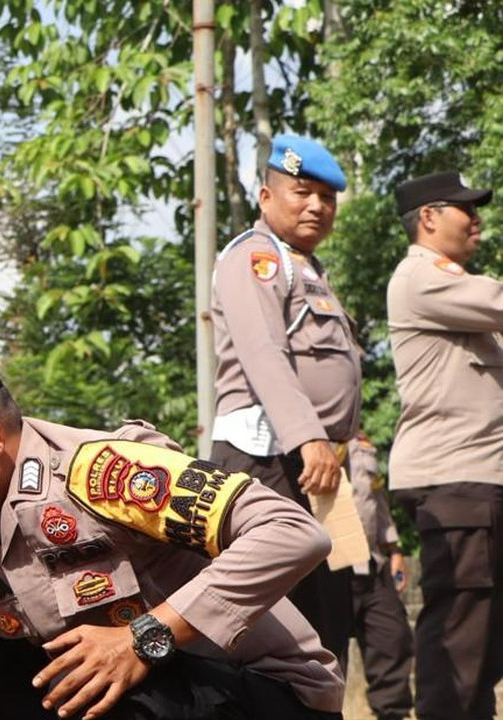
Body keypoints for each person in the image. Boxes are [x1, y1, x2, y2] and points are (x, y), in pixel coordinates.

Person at [0, 320, 345, 720]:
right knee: (3, 677)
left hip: (264, 693)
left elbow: (291, 531)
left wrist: (145, 637)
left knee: (106, 685)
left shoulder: (104, 472)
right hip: (138, 695)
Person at [207, 133, 361, 663]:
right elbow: (263, 352)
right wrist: (311, 437)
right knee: (274, 623)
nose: (318, 205)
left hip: (315, 467)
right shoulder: (256, 257)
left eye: (328, 197)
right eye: (302, 192)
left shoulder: (310, 268)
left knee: (327, 622)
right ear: (266, 197)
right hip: (268, 462)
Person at [387, 170, 503, 720]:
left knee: (482, 643)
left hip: (477, 482)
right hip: (456, 484)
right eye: (464, 208)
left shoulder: (457, 292)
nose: (475, 217)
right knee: (459, 635)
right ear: (428, 218)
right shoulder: (423, 278)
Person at [347, 431, 413, 720]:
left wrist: (394, 548)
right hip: (327, 564)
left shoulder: (361, 442)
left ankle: (393, 714)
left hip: (372, 561)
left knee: (393, 638)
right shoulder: (303, 437)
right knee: (324, 650)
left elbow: (377, 499)